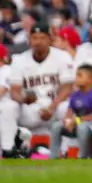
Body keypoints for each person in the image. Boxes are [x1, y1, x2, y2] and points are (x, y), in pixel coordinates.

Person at [0, 24, 75, 158]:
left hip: (55, 107)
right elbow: (15, 91)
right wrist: (23, 99)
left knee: (66, 107)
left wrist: (52, 107)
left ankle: (66, 151)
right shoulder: (19, 60)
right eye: (34, 38)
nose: (38, 42)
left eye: (42, 38)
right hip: (31, 109)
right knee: (8, 106)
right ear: (29, 40)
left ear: (50, 39)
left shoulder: (62, 57)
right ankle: (8, 150)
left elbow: (67, 87)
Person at [49, 64, 92, 159]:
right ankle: (54, 156)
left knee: (82, 128)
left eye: (79, 75)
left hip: (91, 127)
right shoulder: (75, 95)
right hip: (76, 124)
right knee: (56, 126)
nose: (76, 78)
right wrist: (67, 121)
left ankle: (83, 157)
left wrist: (76, 121)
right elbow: (69, 111)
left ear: (89, 79)